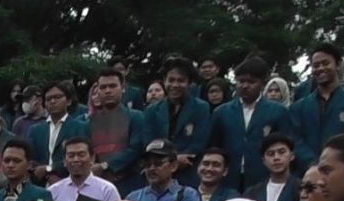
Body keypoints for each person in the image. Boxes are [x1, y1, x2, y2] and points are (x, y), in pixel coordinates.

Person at [208, 57, 290, 190]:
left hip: (264, 179)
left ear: (263, 84)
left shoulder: (278, 112)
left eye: (251, 82)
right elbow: (214, 146)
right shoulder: (221, 112)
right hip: (228, 180)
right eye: (241, 81)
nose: (245, 86)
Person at [290, 44, 344, 168]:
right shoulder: (299, 107)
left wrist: (337, 163)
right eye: (316, 65)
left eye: (325, 63)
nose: (321, 68)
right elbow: (295, 140)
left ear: (337, 65)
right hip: (308, 172)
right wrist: (313, 163)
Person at [143, 57, 212, 187]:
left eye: (181, 81)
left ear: (189, 83)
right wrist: (169, 161)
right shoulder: (151, 110)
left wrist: (177, 161)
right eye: (171, 80)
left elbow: (200, 142)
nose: (175, 85)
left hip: (189, 171)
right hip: (157, 171)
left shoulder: (201, 107)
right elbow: (148, 141)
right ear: (164, 81)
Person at [90, 68, 146, 192]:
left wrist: (106, 166)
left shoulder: (136, 117)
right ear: (97, 91)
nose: (108, 91)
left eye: (112, 86)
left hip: (130, 183)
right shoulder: (89, 121)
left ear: (123, 88)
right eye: (103, 87)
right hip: (97, 184)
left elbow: (136, 149)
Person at [28, 81, 89, 185]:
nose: (52, 101)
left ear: (69, 101)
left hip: (70, 183)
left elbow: (82, 158)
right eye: (48, 99)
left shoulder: (80, 127)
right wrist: (47, 176)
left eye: (57, 97)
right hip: (40, 186)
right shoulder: (35, 130)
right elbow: (30, 160)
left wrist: (50, 169)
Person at [48, 136, 122, 201]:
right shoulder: (53, 191)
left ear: (92, 158)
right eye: (71, 156)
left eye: (81, 155)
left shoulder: (107, 190)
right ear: (64, 161)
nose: (76, 159)